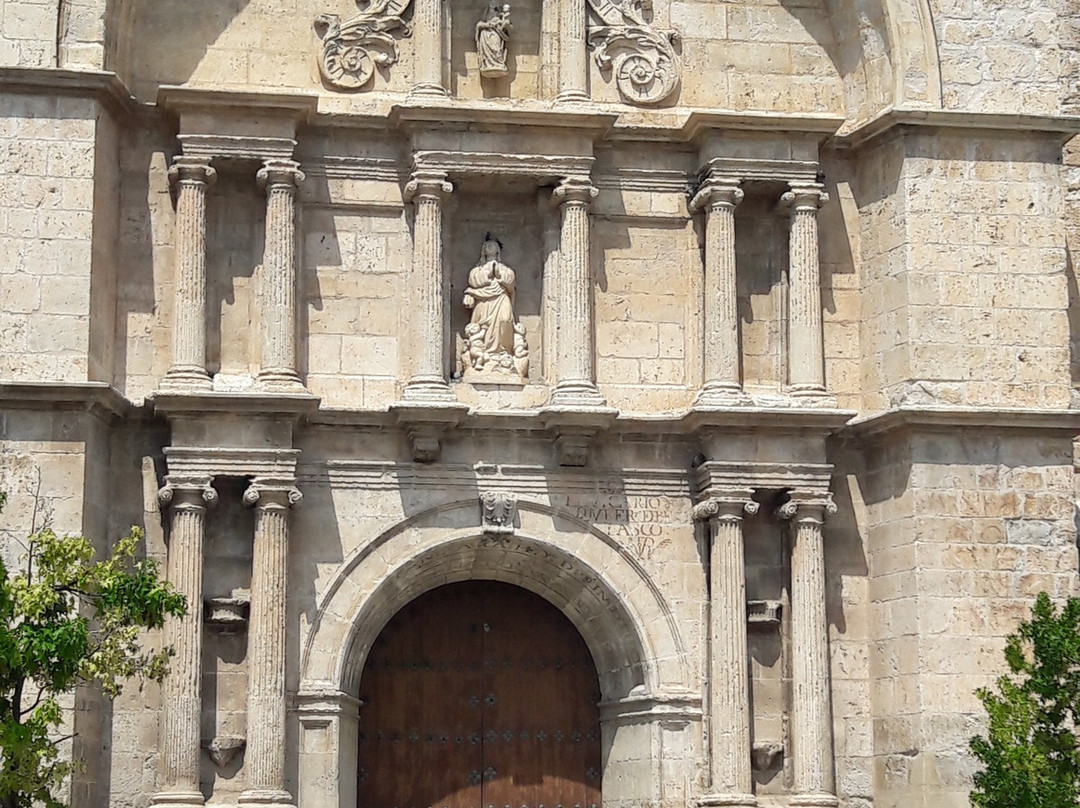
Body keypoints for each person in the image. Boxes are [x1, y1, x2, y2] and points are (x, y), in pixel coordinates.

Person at [463, 236, 517, 367]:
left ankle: (504, 352)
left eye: (493, 245)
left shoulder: (504, 269)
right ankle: (484, 355)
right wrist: (487, 274)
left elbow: (510, 281)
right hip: (483, 300)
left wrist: (499, 274)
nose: (490, 247)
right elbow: (473, 281)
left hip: (501, 297)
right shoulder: (477, 270)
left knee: (505, 320)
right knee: (483, 328)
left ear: (498, 251)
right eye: (487, 245)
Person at [475, 1, 511, 78]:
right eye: (491, 9)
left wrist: (503, 25)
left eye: (495, 9)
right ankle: (487, 64)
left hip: (496, 33)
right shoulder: (484, 20)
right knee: (488, 49)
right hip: (486, 34)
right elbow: (479, 25)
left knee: (497, 48)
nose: (493, 12)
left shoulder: (501, 18)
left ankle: (498, 63)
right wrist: (487, 25)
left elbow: (507, 28)